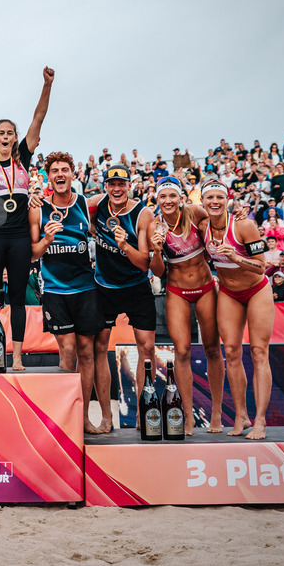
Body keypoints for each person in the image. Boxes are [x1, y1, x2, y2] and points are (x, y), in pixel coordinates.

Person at [0, 67, 54, 370]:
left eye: (10, 133)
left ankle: (17, 357)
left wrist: (47, 85)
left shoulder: (23, 157)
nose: (5, 137)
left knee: (18, 299)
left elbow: (39, 117)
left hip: (19, 239)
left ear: (16, 138)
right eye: (1, 133)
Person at [29, 152, 107, 432]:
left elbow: (119, 201)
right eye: (55, 171)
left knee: (87, 352)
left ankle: (83, 418)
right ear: (48, 177)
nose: (60, 174)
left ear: (73, 175)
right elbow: (32, 254)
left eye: (65, 170)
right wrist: (47, 239)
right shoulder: (38, 208)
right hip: (55, 290)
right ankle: (66, 420)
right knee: (68, 351)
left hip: (86, 289)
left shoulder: (86, 204)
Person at [147, 177, 224, 434]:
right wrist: (157, 250)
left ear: (181, 197)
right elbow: (158, 272)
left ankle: (216, 413)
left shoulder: (195, 213)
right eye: (163, 196)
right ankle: (188, 416)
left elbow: (219, 227)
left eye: (172, 195)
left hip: (204, 287)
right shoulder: (155, 225)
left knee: (212, 349)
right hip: (177, 290)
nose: (168, 201)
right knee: (181, 351)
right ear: (157, 199)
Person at [200, 178, 273, 440]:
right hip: (229, 292)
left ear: (228, 200)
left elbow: (261, 266)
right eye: (210, 197)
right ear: (202, 201)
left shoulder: (244, 225)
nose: (215, 202)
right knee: (231, 352)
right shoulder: (202, 226)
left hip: (256, 289)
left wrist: (235, 257)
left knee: (258, 352)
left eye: (220, 197)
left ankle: (260, 420)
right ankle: (241, 415)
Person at [89, 164, 157, 423]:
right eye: (112, 184)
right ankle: (107, 417)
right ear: (105, 186)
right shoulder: (97, 204)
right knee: (99, 349)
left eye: (121, 184)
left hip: (136, 286)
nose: (116, 189)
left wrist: (124, 245)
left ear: (130, 185)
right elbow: (67, 205)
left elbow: (144, 264)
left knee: (147, 348)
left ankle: (143, 414)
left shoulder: (143, 214)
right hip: (104, 287)